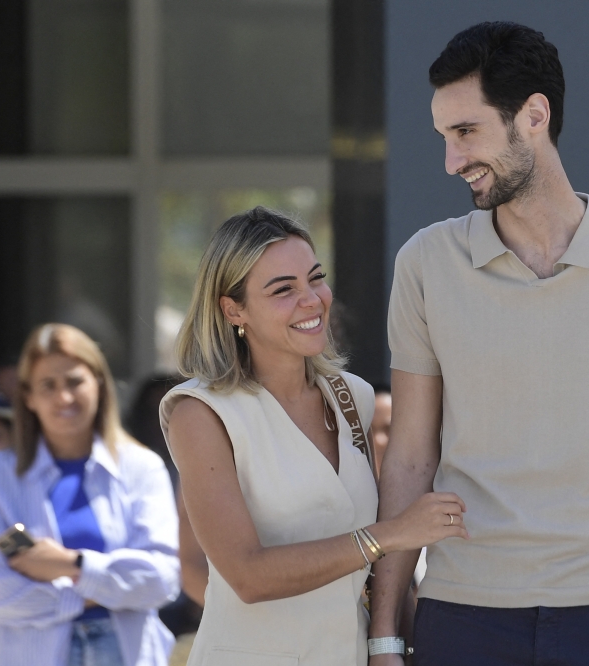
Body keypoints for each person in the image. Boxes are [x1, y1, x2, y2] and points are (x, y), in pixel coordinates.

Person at [369, 22, 589, 666]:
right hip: (460, 612)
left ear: (534, 115)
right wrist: (385, 630)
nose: (451, 160)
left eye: (466, 131)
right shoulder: (425, 263)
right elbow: (409, 456)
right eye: (443, 136)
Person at [159, 206, 468, 666]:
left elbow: (373, 575)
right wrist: (393, 534)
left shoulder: (353, 397)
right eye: (284, 289)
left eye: (315, 278)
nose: (312, 299)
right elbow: (248, 576)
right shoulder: (200, 410)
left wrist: (393, 644)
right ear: (233, 308)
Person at [0, 323, 180, 666]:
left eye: (75, 381)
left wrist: (69, 565)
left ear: (100, 384)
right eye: (48, 385)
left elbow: (162, 580)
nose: (64, 397)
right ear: (28, 396)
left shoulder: (141, 468)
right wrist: (100, 590)